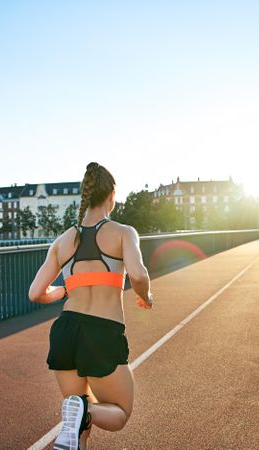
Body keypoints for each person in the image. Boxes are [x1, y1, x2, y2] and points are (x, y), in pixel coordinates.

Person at [28, 162, 154, 450]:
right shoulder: (123, 232)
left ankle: (81, 412)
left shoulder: (62, 241)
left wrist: (61, 292)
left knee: (77, 430)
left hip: (66, 330)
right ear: (111, 195)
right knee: (119, 412)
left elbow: (35, 292)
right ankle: (86, 411)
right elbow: (138, 275)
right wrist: (146, 297)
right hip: (101, 333)